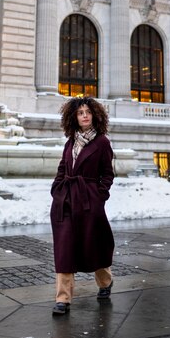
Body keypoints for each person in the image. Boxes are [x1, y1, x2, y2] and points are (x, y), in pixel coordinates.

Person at [50, 96, 115, 316]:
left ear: (94, 115)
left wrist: (99, 196)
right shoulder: (70, 141)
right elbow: (62, 167)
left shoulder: (102, 142)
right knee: (65, 248)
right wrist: (57, 189)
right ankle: (62, 299)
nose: (84, 116)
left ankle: (105, 283)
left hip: (89, 201)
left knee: (93, 245)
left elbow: (107, 174)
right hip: (66, 200)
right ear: (74, 117)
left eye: (87, 112)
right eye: (80, 112)